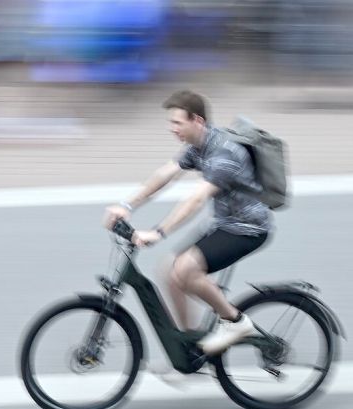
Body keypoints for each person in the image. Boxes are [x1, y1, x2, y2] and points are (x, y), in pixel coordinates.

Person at [104, 90, 272, 355]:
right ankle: (189, 347)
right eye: (171, 123)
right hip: (224, 223)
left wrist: (159, 232)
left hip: (248, 228)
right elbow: (165, 174)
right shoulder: (199, 147)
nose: (172, 129)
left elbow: (196, 200)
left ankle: (235, 322)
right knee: (169, 271)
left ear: (198, 121)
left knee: (185, 269)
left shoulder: (225, 153)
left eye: (177, 123)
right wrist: (126, 206)